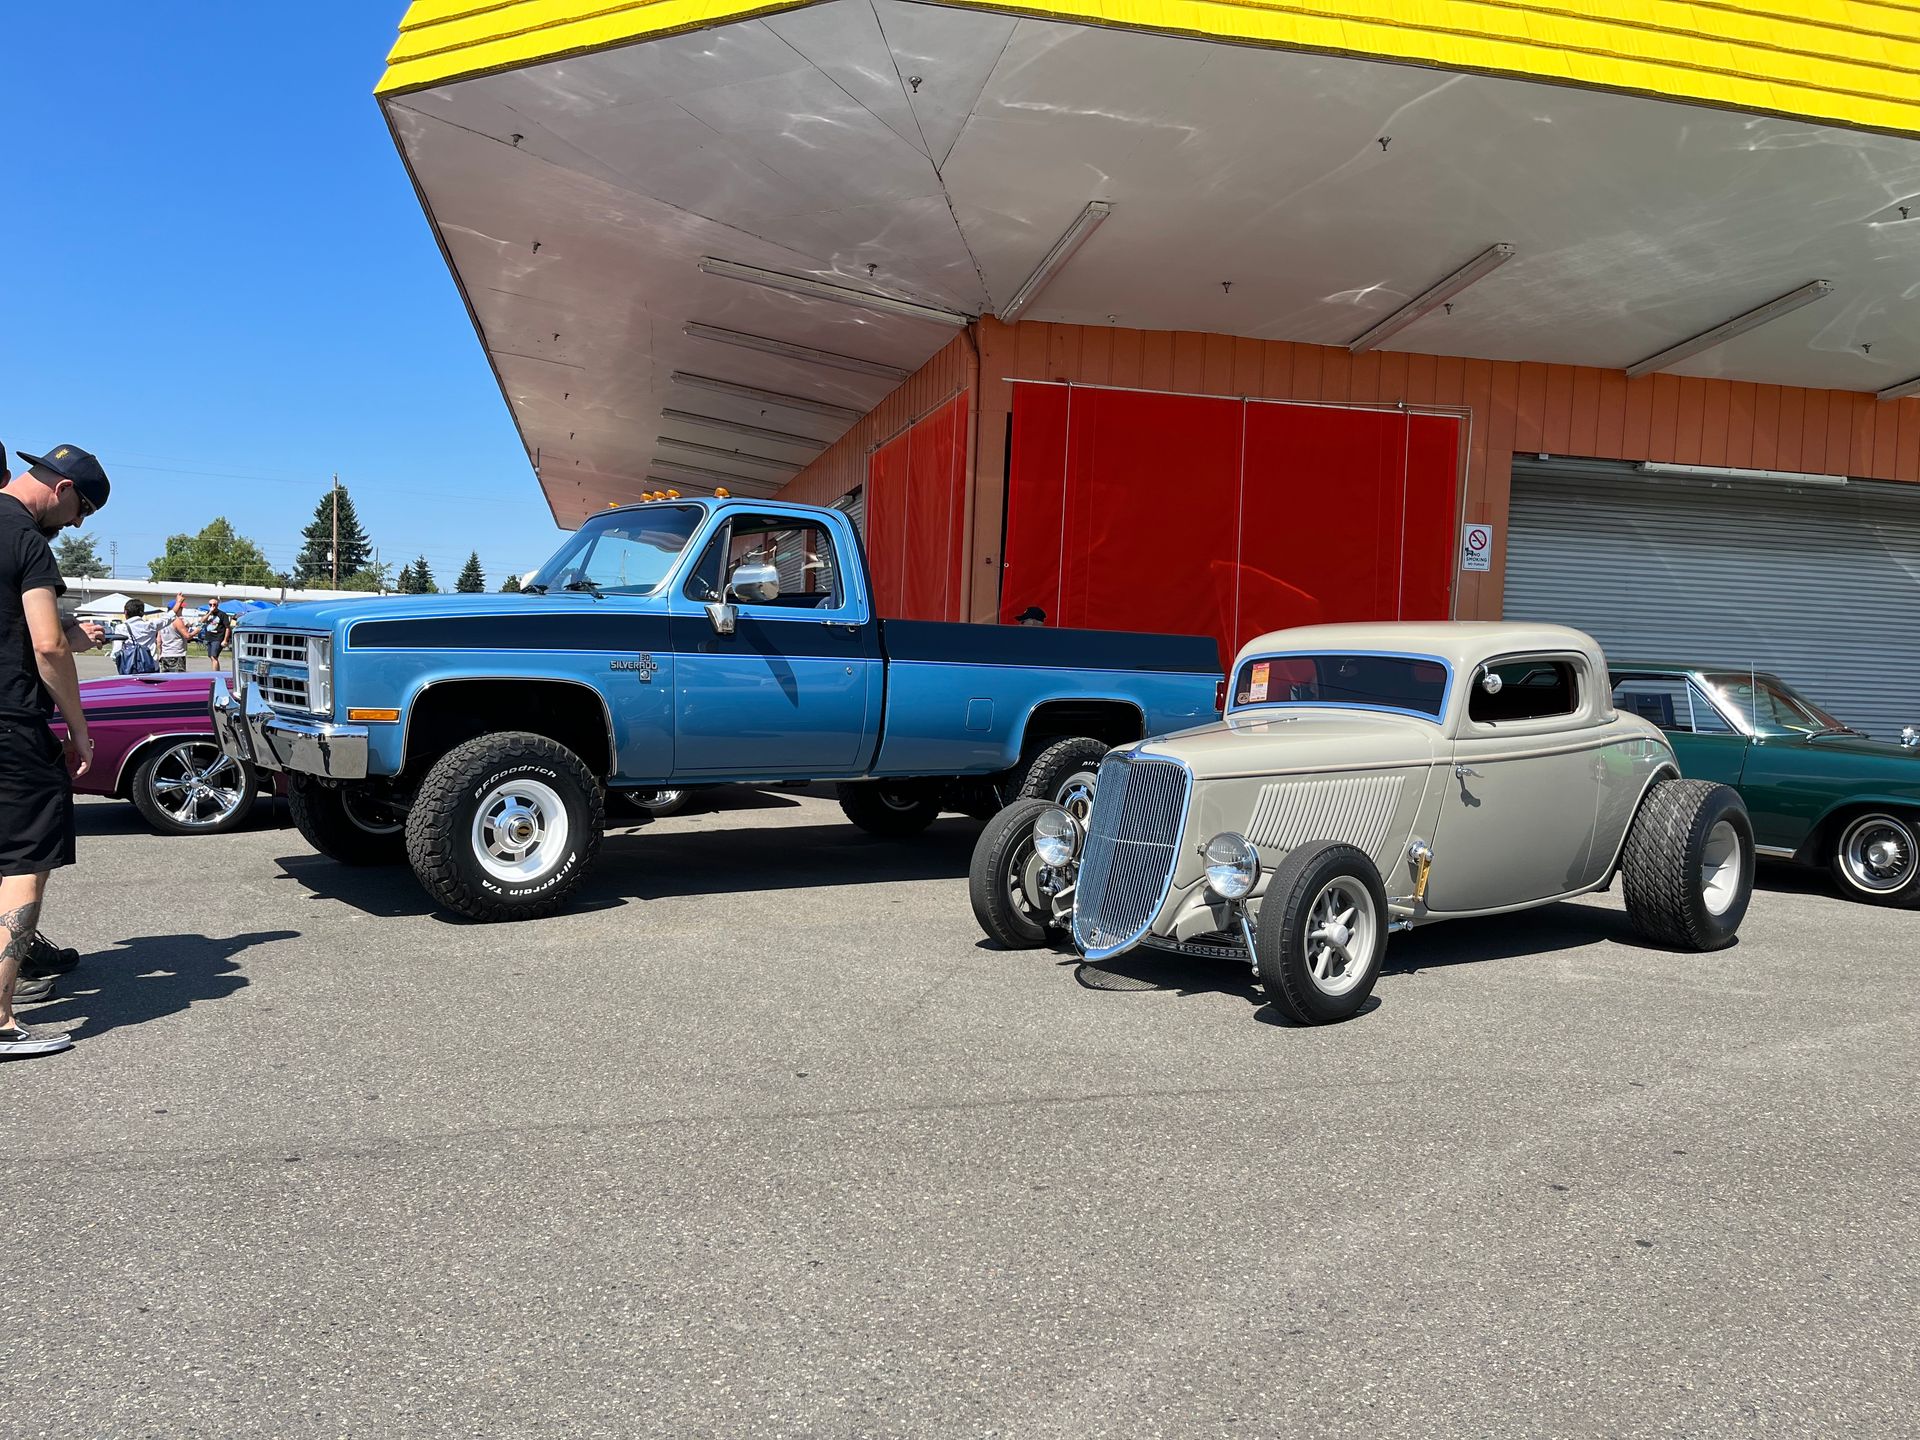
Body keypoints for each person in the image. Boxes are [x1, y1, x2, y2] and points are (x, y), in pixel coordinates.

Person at [2, 442, 110, 1059]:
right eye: (82, 512)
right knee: (20, 865)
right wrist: (79, 726)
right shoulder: (26, 540)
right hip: (11, 724)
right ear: (64, 489)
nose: (74, 525)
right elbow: (48, 647)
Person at [117, 598, 160, 675]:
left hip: (129, 669)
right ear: (142, 613)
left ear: (125, 612)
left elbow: (116, 651)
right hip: (151, 667)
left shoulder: (121, 628)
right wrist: (178, 604)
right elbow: (168, 618)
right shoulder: (151, 625)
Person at [154, 595, 192, 673]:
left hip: (165, 654)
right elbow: (187, 636)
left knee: (166, 679)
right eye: (181, 608)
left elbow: (158, 641)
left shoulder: (163, 620)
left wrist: (160, 653)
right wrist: (197, 631)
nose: (182, 610)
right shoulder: (177, 620)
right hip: (176, 654)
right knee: (177, 680)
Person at [200, 597, 233, 670]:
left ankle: (215, 675)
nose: (212, 606)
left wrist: (225, 640)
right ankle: (216, 673)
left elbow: (227, 628)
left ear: (217, 605)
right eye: (210, 604)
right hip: (209, 638)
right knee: (211, 657)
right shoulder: (208, 614)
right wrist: (209, 613)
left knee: (214, 656)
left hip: (218, 638)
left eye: (214, 604)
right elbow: (202, 621)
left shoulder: (222, 614)